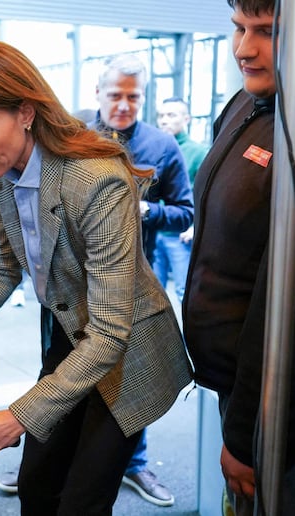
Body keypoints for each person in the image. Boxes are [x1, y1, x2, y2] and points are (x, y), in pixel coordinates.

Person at [0, 39, 192, 514]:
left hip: (128, 348)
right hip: (70, 335)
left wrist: (16, 417)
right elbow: (2, 265)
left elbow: (110, 334)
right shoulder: (1, 170)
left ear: (26, 112)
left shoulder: (96, 179)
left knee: (81, 502)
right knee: (38, 486)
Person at [182, 1, 295, 515]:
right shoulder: (252, 101)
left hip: (289, 410)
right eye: (238, 28)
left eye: (267, 31)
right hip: (240, 385)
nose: (243, 49)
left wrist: (250, 434)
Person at [91, 54, 193, 507]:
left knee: (133, 379)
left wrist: (149, 211)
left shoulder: (162, 146)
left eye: (134, 96)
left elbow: (186, 212)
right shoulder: (73, 137)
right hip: (72, 287)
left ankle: (134, 465)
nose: (125, 105)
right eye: (116, 95)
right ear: (99, 94)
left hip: (135, 283)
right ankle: (50, 454)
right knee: (60, 371)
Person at [153, 97, 209, 302]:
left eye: (171, 115)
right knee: (151, 296)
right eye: (161, 116)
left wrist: (195, 226)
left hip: (180, 234)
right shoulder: (155, 149)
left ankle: (189, 335)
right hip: (154, 230)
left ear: (186, 118)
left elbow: (207, 194)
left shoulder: (198, 152)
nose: (164, 120)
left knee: (184, 293)